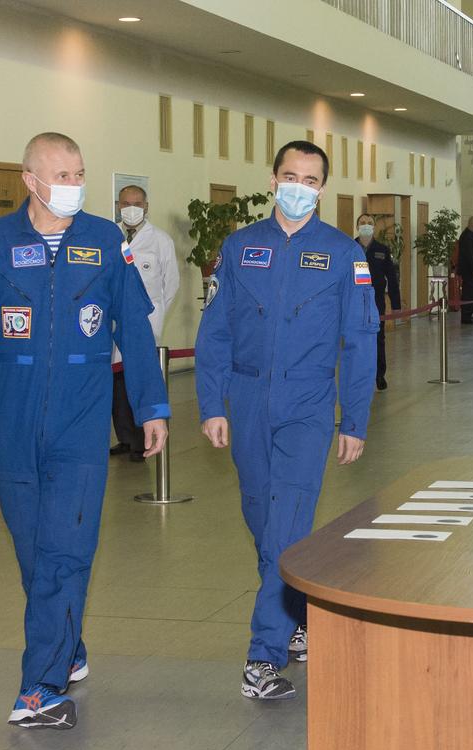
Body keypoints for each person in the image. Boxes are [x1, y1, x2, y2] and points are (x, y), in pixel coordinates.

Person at [0, 132, 169, 731]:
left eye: (79, 172)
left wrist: (153, 405)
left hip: (83, 413)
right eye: (62, 173)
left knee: (66, 551)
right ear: (30, 179)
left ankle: (39, 688)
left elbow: (137, 329)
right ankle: (66, 645)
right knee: (33, 550)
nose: (73, 183)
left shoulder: (103, 240)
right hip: (14, 415)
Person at [195, 140, 378, 701]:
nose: (300, 187)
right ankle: (296, 615)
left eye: (311, 179)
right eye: (290, 176)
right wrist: (212, 404)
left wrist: (355, 419)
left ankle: (263, 655)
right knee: (261, 517)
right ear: (273, 180)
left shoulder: (345, 254)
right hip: (248, 400)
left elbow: (361, 339)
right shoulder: (241, 246)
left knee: (288, 523)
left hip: (308, 405)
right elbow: (216, 333)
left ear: (323, 189)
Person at [110, 183, 180, 461]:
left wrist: (156, 315)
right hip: (114, 322)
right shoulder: (108, 236)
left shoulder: (161, 240)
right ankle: (125, 438)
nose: (131, 209)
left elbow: (170, 285)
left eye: (137, 204)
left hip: (146, 322)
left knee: (140, 381)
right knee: (117, 384)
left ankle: (142, 441)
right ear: (118, 205)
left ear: (146, 206)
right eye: (126, 203)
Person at [356, 213, 399, 390]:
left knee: (378, 338)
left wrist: (395, 304)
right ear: (357, 226)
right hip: (355, 301)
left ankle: (379, 374)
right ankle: (359, 375)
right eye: (362, 223)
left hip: (376, 301)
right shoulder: (350, 247)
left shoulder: (382, 249)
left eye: (369, 223)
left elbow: (392, 278)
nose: (366, 225)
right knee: (356, 338)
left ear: (374, 227)